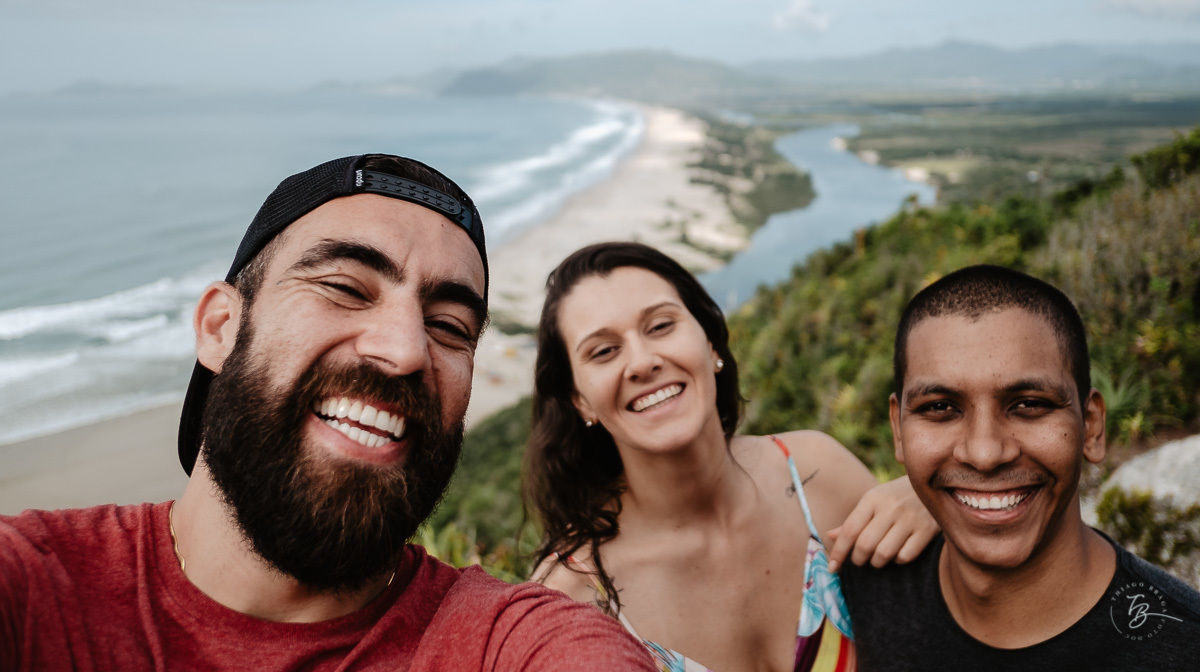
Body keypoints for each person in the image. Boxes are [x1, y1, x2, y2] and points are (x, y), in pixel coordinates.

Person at [0, 155, 656, 671]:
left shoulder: (512, 644)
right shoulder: (33, 591)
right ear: (220, 327)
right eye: (344, 288)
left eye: (450, 326)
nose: (404, 351)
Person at [524, 241, 939, 672]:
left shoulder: (817, 473)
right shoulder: (572, 598)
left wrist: (935, 501)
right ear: (580, 401)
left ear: (711, 344)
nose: (642, 362)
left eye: (661, 326)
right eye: (604, 351)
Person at [838, 264, 1200, 670]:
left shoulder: (1182, 649)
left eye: (1029, 404)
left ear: (1092, 426)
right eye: (940, 408)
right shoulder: (856, 598)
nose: (986, 453)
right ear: (898, 431)